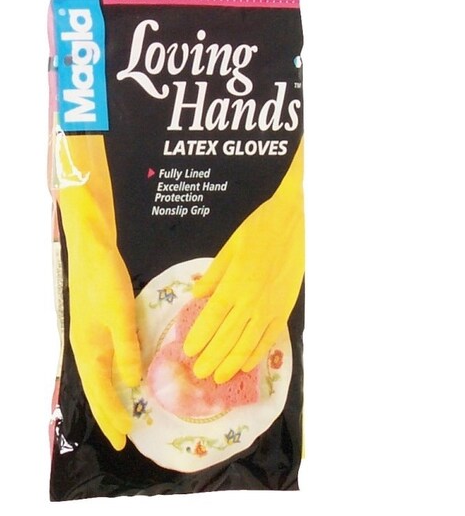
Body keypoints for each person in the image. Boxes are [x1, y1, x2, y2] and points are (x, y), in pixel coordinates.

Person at [56, 134, 304, 450]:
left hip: (268, 169)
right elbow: (79, 108)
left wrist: (296, 202)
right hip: (137, 192)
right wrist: (87, 233)